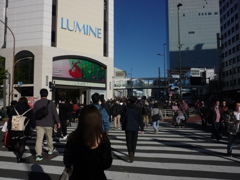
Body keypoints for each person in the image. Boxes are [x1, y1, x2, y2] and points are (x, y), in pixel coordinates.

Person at [63, 105, 112, 179]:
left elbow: (67, 160)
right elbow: (107, 163)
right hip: (97, 176)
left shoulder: (73, 139)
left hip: (77, 176)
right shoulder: (103, 140)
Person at [33, 89, 61, 161]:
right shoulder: (51, 103)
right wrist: (58, 122)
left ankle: (38, 154)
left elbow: (33, 113)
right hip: (49, 123)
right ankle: (50, 150)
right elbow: (55, 113)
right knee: (49, 138)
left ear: (40, 94)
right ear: (47, 94)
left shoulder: (37, 103)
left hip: (39, 123)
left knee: (39, 139)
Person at [7, 97, 35, 163]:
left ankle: (17, 150)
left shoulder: (14, 109)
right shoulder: (28, 109)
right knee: (22, 143)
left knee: (17, 141)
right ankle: (19, 158)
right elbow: (33, 119)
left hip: (14, 127)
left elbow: (10, 119)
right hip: (24, 128)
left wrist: (9, 127)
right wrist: (33, 126)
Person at [121, 96, 144, 163]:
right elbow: (140, 118)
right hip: (135, 126)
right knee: (134, 141)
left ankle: (129, 152)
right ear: (135, 101)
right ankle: (132, 153)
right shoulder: (137, 108)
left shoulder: (126, 107)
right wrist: (142, 128)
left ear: (129, 101)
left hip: (128, 126)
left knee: (128, 141)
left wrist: (123, 123)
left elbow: (123, 116)